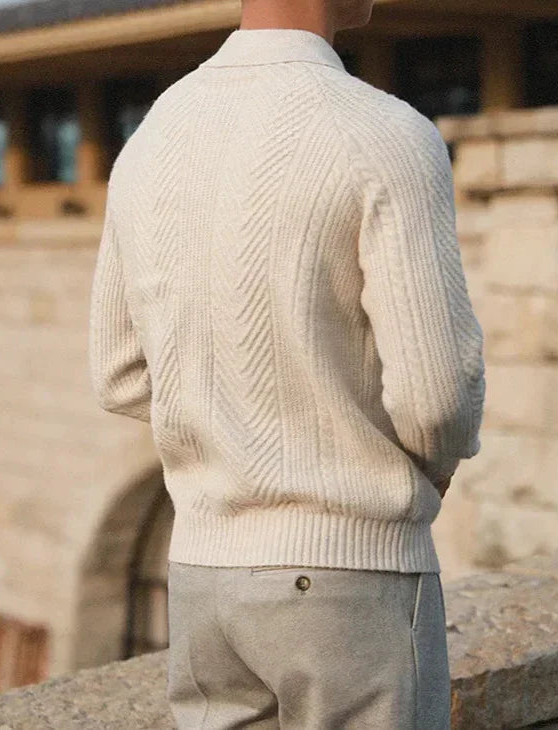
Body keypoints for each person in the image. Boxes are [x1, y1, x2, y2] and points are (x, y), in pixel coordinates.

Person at [88, 0, 486, 725]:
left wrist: (234, 425)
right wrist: (423, 467)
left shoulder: (154, 134)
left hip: (203, 577)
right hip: (349, 577)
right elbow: (437, 396)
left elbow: (117, 372)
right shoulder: (386, 134)